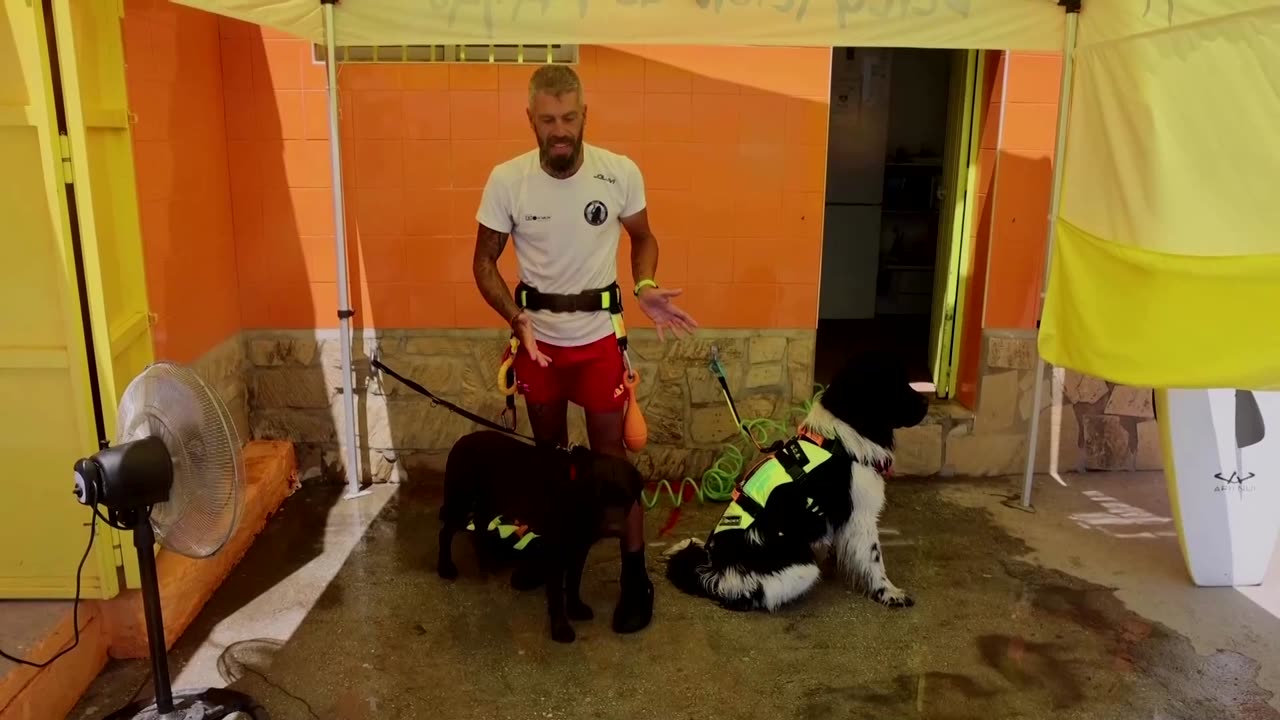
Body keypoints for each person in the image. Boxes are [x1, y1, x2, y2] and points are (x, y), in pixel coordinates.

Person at [472, 64, 697, 634]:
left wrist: (644, 287)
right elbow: (483, 262)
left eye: (569, 117)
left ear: (584, 116)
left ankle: (634, 578)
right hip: (538, 345)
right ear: (531, 120)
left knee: (613, 468)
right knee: (550, 467)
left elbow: (642, 236)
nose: (560, 130)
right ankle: (552, 555)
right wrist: (515, 316)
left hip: (598, 343)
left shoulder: (618, 173)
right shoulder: (508, 180)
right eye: (548, 120)